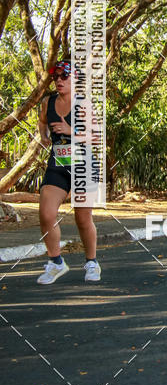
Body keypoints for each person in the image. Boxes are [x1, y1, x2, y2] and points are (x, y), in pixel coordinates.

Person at [36, 61, 101, 285]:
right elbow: (42, 121)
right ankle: (56, 262)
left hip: (83, 166)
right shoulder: (48, 102)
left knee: (82, 218)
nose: (59, 81)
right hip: (59, 163)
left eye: (64, 76)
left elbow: (95, 137)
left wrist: (70, 130)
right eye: (56, 77)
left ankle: (91, 262)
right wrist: (44, 136)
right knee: (46, 214)